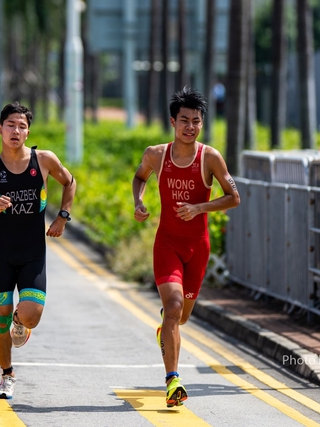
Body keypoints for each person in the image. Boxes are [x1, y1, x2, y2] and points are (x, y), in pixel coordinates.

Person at [132, 86, 240, 407]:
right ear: (172, 122)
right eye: (184, 120)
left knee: (180, 317)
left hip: (198, 249)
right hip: (167, 244)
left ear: (202, 123)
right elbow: (140, 177)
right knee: (174, 306)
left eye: (196, 121)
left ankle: (166, 329)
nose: (190, 127)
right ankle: (173, 381)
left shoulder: (210, 157)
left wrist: (199, 208)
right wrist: (138, 202)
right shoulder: (156, 154)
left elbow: (233, 197)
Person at [0, 102, 76, 399]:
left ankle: (20, 323)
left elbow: (70, 182)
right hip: (2, 253)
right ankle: (7, 375)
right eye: (10, 125)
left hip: (33, 252)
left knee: (31, 315)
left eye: (22, 126)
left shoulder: (43, 160)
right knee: (0, 318)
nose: (16, 131)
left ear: (28, 132)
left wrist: (62, 217)